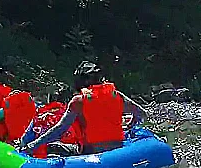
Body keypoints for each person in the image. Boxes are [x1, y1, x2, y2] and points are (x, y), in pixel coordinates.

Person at [18, 61, 146, 156]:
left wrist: (33, 145)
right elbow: (141, 113)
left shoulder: (79, 101)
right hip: (118, 149)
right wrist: (131, 123)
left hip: (92, 151)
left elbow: (59, 130)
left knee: (53, 147)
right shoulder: (116, 95)